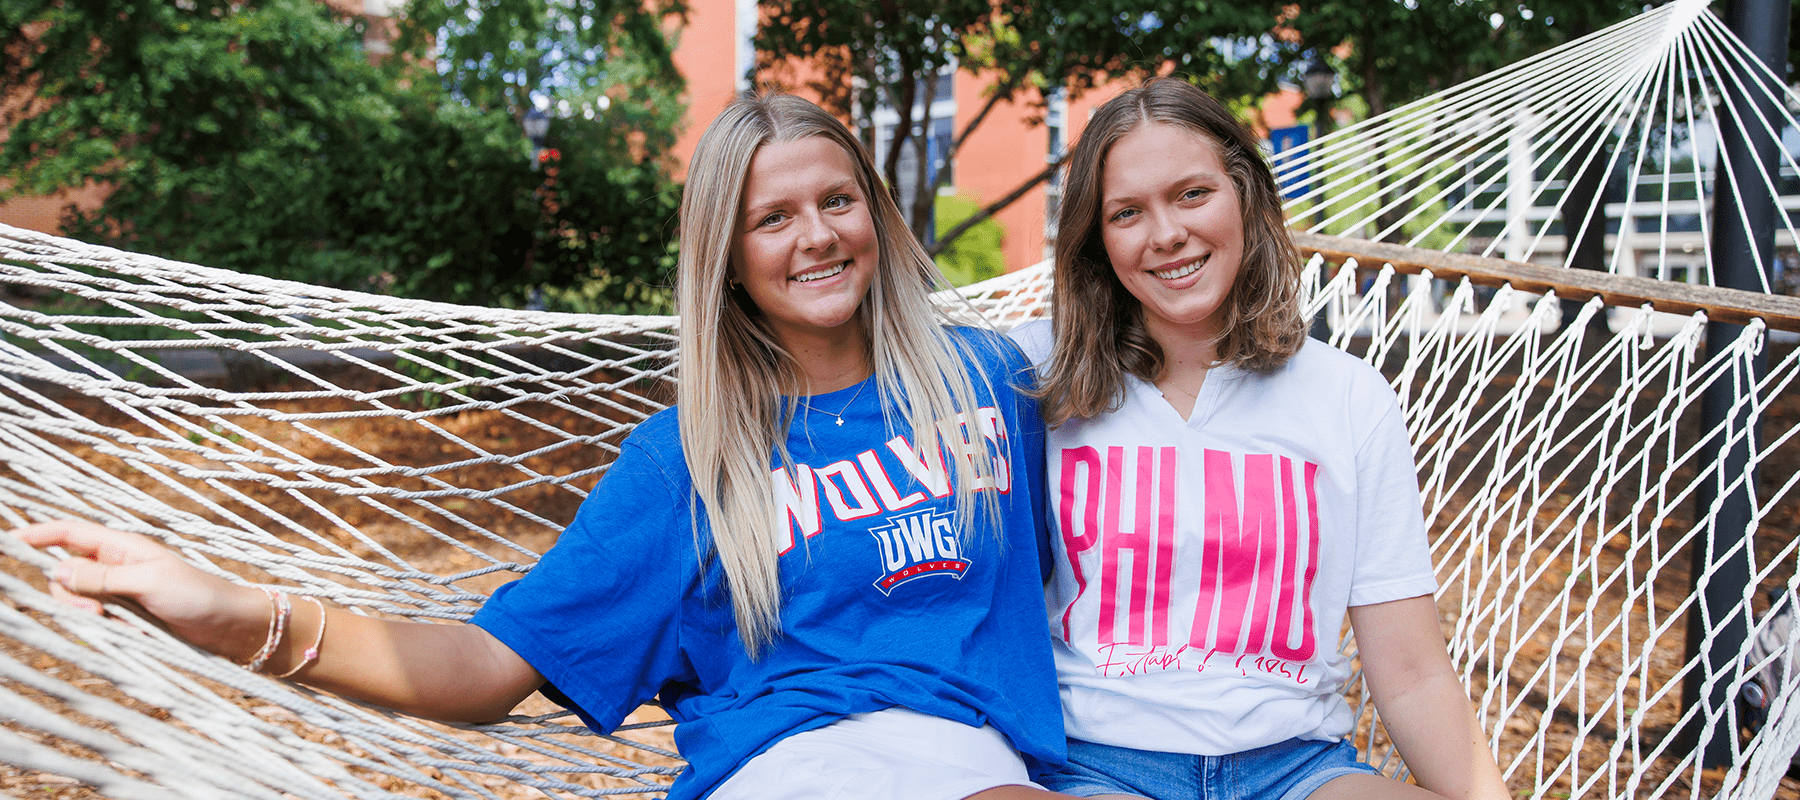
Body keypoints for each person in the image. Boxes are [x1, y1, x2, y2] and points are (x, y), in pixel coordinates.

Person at [16, 94, 1071, 800]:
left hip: (976, 759)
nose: (817, 237)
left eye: (838, 200)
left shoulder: (988, 378)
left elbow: (1177, 320)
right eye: (772, 218)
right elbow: (485, 664)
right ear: (727, 260)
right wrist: (230, 606)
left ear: (877, 216)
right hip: (794, 764)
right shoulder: (688, 465)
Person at [1007, 77, 1511, 800]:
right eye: (1127, 212)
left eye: (1191, 194)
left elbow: (1412, 670)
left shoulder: (1346, 397)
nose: (1167, 233)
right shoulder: (1031, 377)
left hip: (1299, 768)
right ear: (1097, 239)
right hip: (1099, 764)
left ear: (1245, 194)